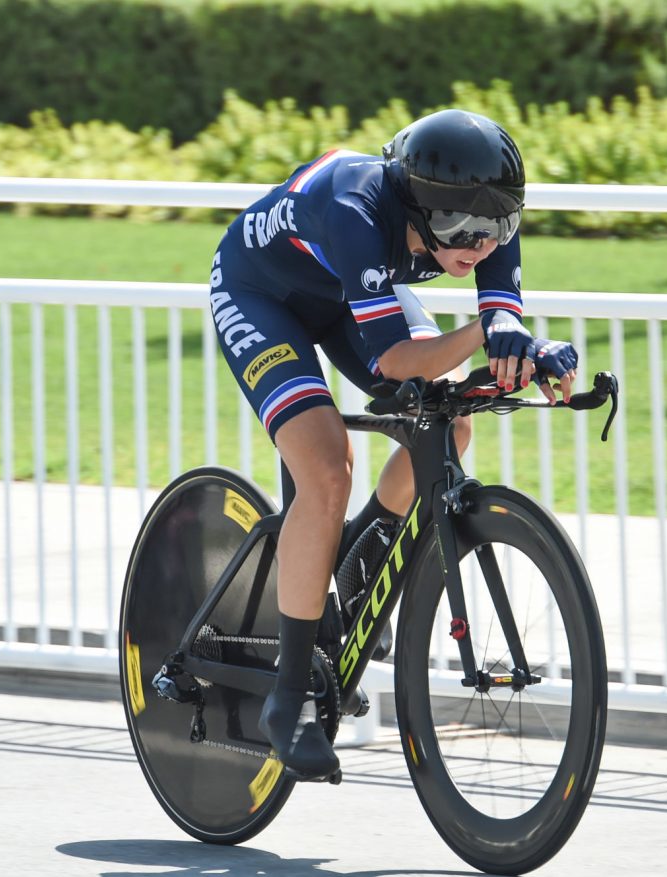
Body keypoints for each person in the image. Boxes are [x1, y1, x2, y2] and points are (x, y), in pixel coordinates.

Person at [208, 109, 579, 780]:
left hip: (348, 292)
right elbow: (398, 359)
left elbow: (499, 322)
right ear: (414, 204)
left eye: (496, 229)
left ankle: (359, 553)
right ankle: (288, 698)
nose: (479, 245)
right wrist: (486, 334)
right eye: (458, 229)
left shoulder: (490, 223)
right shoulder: (356, 210)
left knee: (452, 423)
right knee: (326, 469)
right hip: (261, 293)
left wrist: (529, 352)